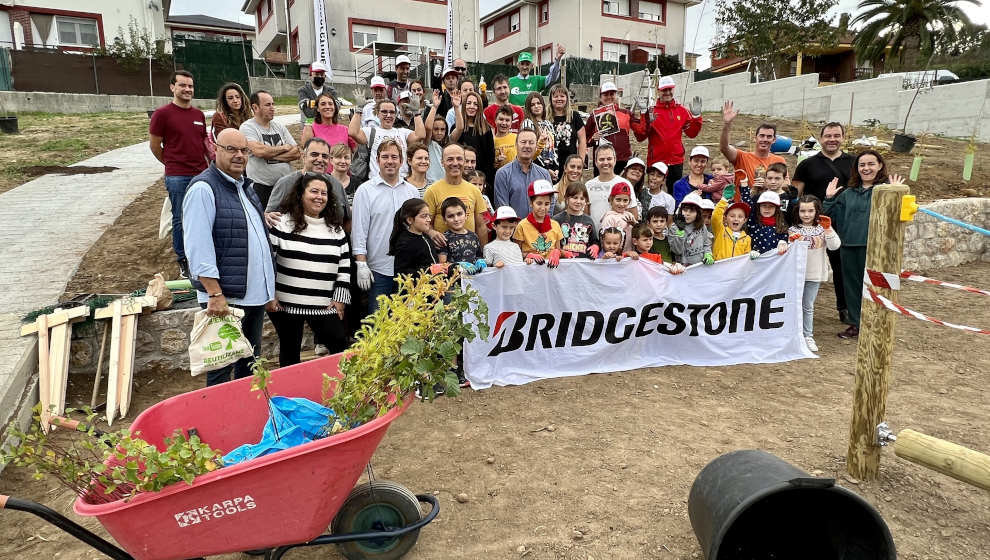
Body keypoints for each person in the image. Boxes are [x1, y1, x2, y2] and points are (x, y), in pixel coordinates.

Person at [182, 128, 274, 386]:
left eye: (244, 150)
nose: (239, 156)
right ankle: (219, 422)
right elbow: (198, 248)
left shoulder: (243, 186)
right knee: (221, 366)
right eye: (231, 149)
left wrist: (269, 289)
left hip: (252, 295)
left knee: (250, 362)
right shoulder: (204, 188)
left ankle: (243, 416)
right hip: (226, 296)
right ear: (215, 149)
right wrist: (214, 293)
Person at [267, 173, 351, 366]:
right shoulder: (280, 224)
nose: (319, 197)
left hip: (324, 306)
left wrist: (340, 299)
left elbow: (344, 266)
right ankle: (290, 395)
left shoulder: (336, 231)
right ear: (300, 194)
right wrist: (270, 294)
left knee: (340, 345)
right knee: (290, 355)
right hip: (286, 306)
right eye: (314, 191)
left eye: (324, 193)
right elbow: (268, 263)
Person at [824, 149, 905, 339]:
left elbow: (897, 217)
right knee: (852, 287)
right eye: (862, 165)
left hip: (876, 248)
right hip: (850, 246)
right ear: (856, 168)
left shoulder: (885, 191)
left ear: (880, 166)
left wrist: (896, 194)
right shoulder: (847, 193)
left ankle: (877, 324)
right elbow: (828, 217)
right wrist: (828, 198)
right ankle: (855, 324)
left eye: (870, 164)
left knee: (876, 287)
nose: (866, 168)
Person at [791, 122, 854, 324]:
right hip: (811, 223)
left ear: (843, 137)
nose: (832, 139)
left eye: (836, 135)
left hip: (844, 222)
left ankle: (845, 308)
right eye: (828, 135)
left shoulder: (853, 163)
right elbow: (795, 195)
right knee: (805, 266)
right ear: (821, 138)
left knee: (843, 266)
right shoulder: (807, 165)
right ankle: (799, 312)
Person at [351, 139, 424, 312]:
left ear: (401, 161)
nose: (389, 161)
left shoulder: (411, 192)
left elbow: (418, 228)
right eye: (385, 157)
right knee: (378, 323)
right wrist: (361, 263)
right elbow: (359, 230)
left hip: (407, 270)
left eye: (394, 156)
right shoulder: (365, 191)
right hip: (379, 269)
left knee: (407, 323)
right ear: (377, 160)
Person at [150, 70, 210, 277]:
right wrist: (170, 163)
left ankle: (201, 253)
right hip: (177, 176)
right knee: (180, 218)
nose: (187, 89)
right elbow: (155, 146)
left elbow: (204, 143)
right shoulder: (162, 114)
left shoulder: (198, 115)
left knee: (202, 215)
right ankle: (183, 259)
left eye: (190, 86)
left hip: (200, 173)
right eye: (182, 85)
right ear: (172, 87)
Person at [631, 76, 703, 190]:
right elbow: (640, 136)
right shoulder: (651, 111)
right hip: (656, 160)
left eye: (670, 89)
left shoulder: (682, 111)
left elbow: (692, 133)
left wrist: (696, 117)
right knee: (653, 192)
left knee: (674, 192)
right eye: (664, 90)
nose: (667, 92)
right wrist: (646, 117)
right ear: (658, 91)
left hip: (676, 161)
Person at [790, 195, 841, 352]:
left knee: (808, 305)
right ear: (797, 212)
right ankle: (793, 334)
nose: (806, 214)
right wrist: (791, 242)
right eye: (803, 211)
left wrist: (828, 229)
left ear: (816, 211)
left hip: (814, 273)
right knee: (794, 305)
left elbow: (835, 246)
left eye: (810, 210)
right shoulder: (792, 229)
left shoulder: (822, 228)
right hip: (795, 275)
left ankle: (808, 335)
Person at [265, 137, 349, 228]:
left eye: (324, 156)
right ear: (304, 157)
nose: (320, 159)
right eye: (314, 154)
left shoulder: (336, 185)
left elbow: (346, 219)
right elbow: (269, 217)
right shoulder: (286, 183)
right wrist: (266, 216)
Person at [240, 90, 300, 208]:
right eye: (268, 105)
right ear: (255, 107)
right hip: (262, 188)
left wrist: (270, 154)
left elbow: (296, 152)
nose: (272, 108)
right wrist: (283, 148)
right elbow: (259, 151)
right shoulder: (247, 127)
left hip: (286, 186)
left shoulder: (279, 127)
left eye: (273, 104)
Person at [424, 144, 488, 248]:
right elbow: (426, 223)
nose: (455, 163)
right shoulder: (432, 191)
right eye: (450, 159)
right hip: (442, 255)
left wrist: (484, 253)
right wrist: (431, 233)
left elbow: (481, 226)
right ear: (442, 162)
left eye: (459, 159)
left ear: (464, 161)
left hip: (469, 256)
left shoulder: (474, 191)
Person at [348, 98, 426, 179]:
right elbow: (353, 132)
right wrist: (359, 110)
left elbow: (420, 135)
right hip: (377, 182)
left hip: (401, 181)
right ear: (377, 113)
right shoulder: (371, 131)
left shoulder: (402, 132)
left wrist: (416, 113)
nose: (388, 115)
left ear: (396, 115)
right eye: (384, 112)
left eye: (392, 112)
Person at [719, 100, 785, 189]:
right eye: (762, 136)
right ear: (755, 138)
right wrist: (727, 124)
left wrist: (768, 185)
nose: (765, 139)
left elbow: (786, 184)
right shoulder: (742, 157)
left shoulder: (779, 160)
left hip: (767, 202)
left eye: (769, 137)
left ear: (774, 140)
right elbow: (724, 148)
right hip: (743, 202)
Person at [494, 128, 551, 220]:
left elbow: (550, 205)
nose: (527, 146)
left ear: (536, 146)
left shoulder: (544, 175)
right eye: (523, 142)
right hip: (513, 230)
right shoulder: (503, 174)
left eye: (531, 143)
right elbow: (502, 208)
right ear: (516, 145)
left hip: (539, 230)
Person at [584, 81, 639, 174]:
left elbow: (641, 133)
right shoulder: (594, 116)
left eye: (612, 94)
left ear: (616, 95)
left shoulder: (626, 113)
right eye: (605, 94)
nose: (609, 97)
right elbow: (584, 140)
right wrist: (593, 139)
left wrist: (645, 113)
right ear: (600, 97)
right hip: (602, 161)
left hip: (622, 160)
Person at [450, 91, 496, 198]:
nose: (472, 107)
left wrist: (485, 182)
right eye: (469, 103)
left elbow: (490, 158)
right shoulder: (456, 128)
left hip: (480, 180)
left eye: (475, 104)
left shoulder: (486, 129)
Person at [513, 179, 565, 263]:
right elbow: (515, 254)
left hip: (550, 271)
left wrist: (557, 253)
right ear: (531, 202)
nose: (543, 208)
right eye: (539, 203)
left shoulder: (555, 225)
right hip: (530, 271)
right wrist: (527, 255)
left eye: (547, 204)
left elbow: (558, 249)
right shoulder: (522, 225)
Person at [390, 198, 440, 278]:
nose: (429, 220)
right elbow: (402, 273)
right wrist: (430, 270)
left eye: (429, 216)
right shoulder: (405, 242)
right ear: (410, 220)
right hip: (416, 289)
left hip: (433, 286)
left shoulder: (425, 236)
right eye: (424, 216)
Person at [553, 182, 600, 259]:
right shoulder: (557, 220)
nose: (578, 202)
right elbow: (551, 243)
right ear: (567, 198)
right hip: (562, 265)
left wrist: (595, 246)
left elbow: (594, 241)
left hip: (582, 265)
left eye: (582, 198)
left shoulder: (588, 220)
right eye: (575, 197)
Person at [437, 196, 484, 269]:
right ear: (444, 220)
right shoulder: (443, 239)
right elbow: (442, 265)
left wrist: (480, 261)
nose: (456, 219)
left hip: (475, 278)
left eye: (459, 214)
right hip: (455, 279)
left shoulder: (474, 236)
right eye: (450, 216)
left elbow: (479, 256)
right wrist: (457, 266)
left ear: (466, 215)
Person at [585, 144, 626, 226]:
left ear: (615, 160)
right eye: (601, 159)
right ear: (596, 162)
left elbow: (633, 214)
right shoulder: (588, 185)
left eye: (609, 159)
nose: (605, 162)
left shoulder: (624, 184)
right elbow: (585, 213)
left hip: (618, 237)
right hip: (593, 237)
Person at [548, 84, 586, 172]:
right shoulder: (545, 117)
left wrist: (580, 162)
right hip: (551, 166)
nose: (559, 99)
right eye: (555, 96)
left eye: (562, 96)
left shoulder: (575, 116)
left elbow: (582, 141)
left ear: (567, 98)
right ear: (551, 99)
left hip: (571, 165)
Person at [709, 184, 752, 261]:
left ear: (745, 220)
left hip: (736, 272)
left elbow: (746, 261)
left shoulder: (747, 239)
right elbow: (715, 217)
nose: (736, 219)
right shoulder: (720, 231)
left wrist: (751, 257)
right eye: (732, 216)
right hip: (718, 270)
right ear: (725, 218)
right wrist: (724, 200)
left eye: (740, 216)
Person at [741, 187, 790, 254]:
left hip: (774, 261)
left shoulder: (781, 224)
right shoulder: (753, 221)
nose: (767, 209)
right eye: (764, 205)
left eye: (771, 206)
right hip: (754, 261)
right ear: (759, 207)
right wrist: (744, 185)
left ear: (776, 209)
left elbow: (784, 236)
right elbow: (747, 203)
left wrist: (783, 242)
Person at [668, 192, 713, 265]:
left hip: (700, 266)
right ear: (681, 210)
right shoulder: (674, 227)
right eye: (685, 210)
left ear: (698, 213)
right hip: (683, 268)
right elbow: (677, 251)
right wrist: (680, 231)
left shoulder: (702, 226)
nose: (687, 214)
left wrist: (708, 254)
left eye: (692, 211)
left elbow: (706, 244)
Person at [522, 92, 559, 181]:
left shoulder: (548, 124)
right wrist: (545, 170)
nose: (536, 106)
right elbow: (529, 150)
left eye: (539, 103)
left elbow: (554, 149)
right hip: (535, 169)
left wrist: (556, 167)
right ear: (529, 108)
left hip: (552, 168)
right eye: (532, 104)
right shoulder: (527, 123)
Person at [599, 182, 637, 252]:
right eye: (618, 200)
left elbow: (639, 235)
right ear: (611, 200)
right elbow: (604, 242)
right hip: (614, 258)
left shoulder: (629, 215)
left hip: (630, 255)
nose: (621, 204)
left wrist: (635, 225)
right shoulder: (609, 218)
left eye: (625, 200)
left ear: (629, 201)